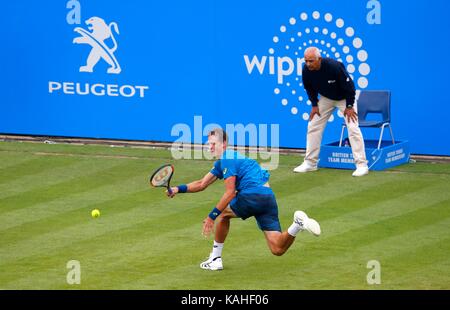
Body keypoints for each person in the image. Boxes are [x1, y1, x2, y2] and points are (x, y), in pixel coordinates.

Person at [167, 128, 321, 271]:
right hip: (267, 198)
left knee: (222, 214)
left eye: (214, 144)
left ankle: (215, 259)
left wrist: (211, 217)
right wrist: (177, 189)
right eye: (209, 144)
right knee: (277, 248)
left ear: (224, 144)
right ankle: (297, 224)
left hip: (252, 195)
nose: (210, 147)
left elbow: (230, 193)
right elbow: (201, 184)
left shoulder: (227, 158)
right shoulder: (225, 161)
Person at [293, 46, 369, 177]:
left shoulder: (335, 66)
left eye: (311, 61)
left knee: (352, 127)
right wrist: (314, 105)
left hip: (345, 98)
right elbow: (309, 88)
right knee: (313, 125)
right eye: (306, 61)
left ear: (319, 59)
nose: (308, 64)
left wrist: (349, 106)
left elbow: (350, 87)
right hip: (326, 98)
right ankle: (310, 163)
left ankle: (362, 165)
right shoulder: (306, 69)